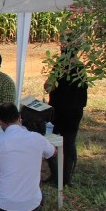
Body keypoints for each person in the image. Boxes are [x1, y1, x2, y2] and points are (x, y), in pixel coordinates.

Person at [0, 103, 55, 211]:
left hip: (2, 202)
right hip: (32, 202)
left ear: (0, 122)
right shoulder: (37, 138)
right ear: (19, 117)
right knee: (41, 196)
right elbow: (53, 153)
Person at [45, 42, 88, 185]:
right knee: (68, 144)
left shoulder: (60, 65)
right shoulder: (80, 67)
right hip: (74, 111)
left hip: (60, 111)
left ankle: (58, 177)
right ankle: (65, 179)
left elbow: (48, 86)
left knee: (53, 141)